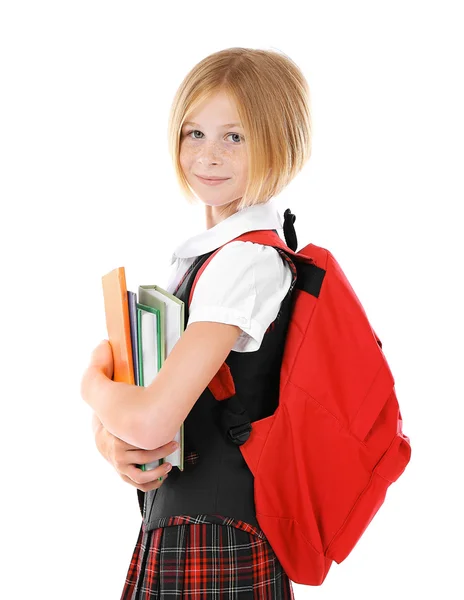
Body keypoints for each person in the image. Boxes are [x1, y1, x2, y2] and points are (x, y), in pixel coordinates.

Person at [81, 46, 312, 599]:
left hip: (213, 537)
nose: (208, 155)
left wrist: (90, 384)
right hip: (190, 528)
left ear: (279, 141)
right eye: (194, 133)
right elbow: (154, 421)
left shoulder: (243, 262)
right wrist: (109, 442)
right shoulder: (215, 255)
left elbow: (152, 420)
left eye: (235, 136)